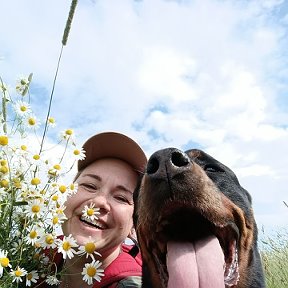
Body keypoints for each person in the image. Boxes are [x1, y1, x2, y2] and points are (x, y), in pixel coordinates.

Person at [43, 131, 147, 288]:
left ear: (134, 225)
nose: (99, 202)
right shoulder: (33, 256)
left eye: (121, 198)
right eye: (89, 186)